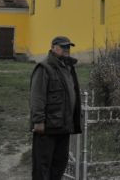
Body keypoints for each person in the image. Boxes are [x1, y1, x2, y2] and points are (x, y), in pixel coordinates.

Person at [30, 35, 82, 180]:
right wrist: (38, 121)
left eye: (68, 47)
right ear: (53, 48)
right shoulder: (44, 68)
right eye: (63, 46)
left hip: (63, 127)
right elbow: (37, 96)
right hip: (47, 128)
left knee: (59, 166)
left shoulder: (68, 67)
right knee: (42, 169)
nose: (66, 50)